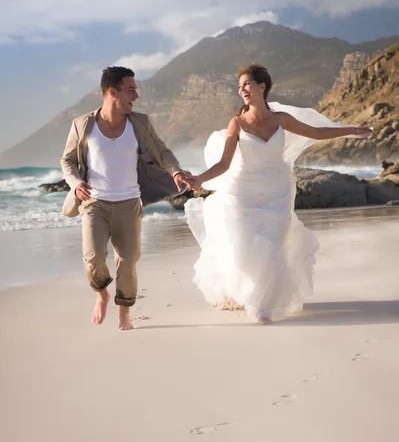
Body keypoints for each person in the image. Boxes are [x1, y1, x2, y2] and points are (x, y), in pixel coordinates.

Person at [185, 63, 372, 324]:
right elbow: (224, 164)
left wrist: (351, 130)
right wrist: (200, 179)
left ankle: (262, 306)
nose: (242, 90)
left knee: (273, 247)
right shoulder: (236, 123)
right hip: (243, 193)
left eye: (247, 84)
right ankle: (249, 294)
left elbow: (316, 133)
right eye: (239, 87)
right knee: (244, 247)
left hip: (277, 192)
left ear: (262, 86)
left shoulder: (281, 119)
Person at [61, 66, 192, 330]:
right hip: (94, 203)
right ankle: (102, 294)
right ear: (113, 91)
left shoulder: (140, 123)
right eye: (131, 90)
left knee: (128, 261)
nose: (137, 95)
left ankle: (124, 314)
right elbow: (68, 161)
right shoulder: (83, 124)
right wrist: (76, 185)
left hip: (129, 203)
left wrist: (176, 171)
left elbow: (162, 151)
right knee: (93, 257)